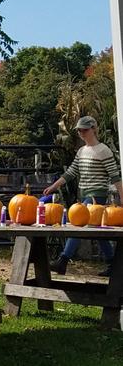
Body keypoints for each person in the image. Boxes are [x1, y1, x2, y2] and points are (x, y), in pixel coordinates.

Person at [45, 116, 123, 276]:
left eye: (84, 130)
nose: (81, 133)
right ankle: (113, 264)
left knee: (78, 225)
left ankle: (63, 260)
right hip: (84, 194)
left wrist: (122, 196)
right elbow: (71, 173)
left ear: (94, 129)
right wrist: (54, 186)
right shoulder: (81, 151)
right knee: (97, 232)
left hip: (97, 195)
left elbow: (115, 176)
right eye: (79, 130)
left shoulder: (104, 150)